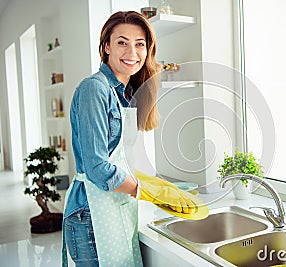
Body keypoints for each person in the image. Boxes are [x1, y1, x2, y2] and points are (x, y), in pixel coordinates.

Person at [62, 11, 196, 267]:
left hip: (113, 205)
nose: (132, 52)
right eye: (122, 42)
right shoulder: (94, 88)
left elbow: (119, 157)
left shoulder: (123, 93)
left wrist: (153, 183)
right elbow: (97, 168)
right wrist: (148, 192)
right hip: (90, 212)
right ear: (106, 47)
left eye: (139, 44)